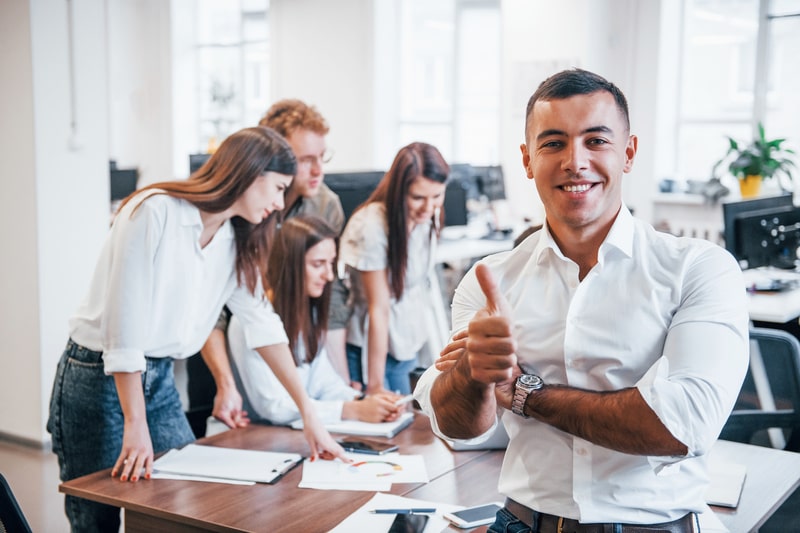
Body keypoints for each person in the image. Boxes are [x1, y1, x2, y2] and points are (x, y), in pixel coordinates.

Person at [414, 68, 749, 532]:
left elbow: (682, 425)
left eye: (596, 141)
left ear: (628, 153)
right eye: (553, 143)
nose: (575, 161)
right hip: (522, 522)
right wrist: (473, 373)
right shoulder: (491, 279)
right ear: (528, 159)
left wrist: (527, 395)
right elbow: (456, 425)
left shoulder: (698, 268)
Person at [47, 126, 345, 533]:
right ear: (249, 174)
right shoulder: (154, 211)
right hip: (97, 374)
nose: (279, 204)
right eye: (277, 189)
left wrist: (309, 412)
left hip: (160, 376)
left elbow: (264, 326)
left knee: (182, 498)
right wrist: (135, 422)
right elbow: (124, 326)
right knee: (95, 515)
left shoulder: (237, 237)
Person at [188, 99, 350, 436]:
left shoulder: (324, 204)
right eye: (306, 160)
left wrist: (344, 393)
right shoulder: (240, 211)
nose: (318, 170)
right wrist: (225, 382)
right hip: (223, 342)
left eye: (323, 157)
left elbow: (327, 302)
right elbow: (211, 309)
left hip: (277, 337)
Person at [226, 215, 404, 425]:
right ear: (290, 265)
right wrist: (351, 410)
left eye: (331, 264)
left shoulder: (307, 313)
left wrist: (366, 401)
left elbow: (324, 383)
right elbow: (274, 407)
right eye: (318, 264)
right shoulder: (248, 323)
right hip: (255, 438)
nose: (329, 276)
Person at [339, 142, 449, 395]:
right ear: (399, 191)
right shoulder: (371, 227)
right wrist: (375, 386)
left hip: (404, 343)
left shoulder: (428, 216)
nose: (429, 207)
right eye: (418, 197)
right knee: (383, 428)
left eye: (437, 196)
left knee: (409, 421)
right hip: (371, 351)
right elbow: (379, 309)